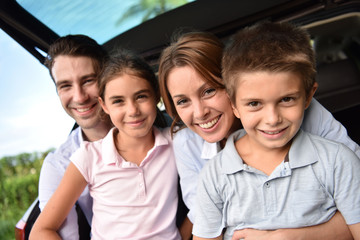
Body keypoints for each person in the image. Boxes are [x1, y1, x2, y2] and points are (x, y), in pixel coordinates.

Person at [158, 28, 360, 239]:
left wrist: (289, 237)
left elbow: (353, 189)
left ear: (230, 83)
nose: (200, 113)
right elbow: (206, 219)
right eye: (182, 101)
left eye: (209, 91)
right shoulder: (192, 149)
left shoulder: (300, 115)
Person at [30, 50, 182, 239]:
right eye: (118, 101)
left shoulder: (178, 141)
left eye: (141, 96)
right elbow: (41, 230)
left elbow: (205, 199)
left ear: (156, 96)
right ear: (104, 106)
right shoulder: (88, 157)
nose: (132, 111)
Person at [38, 35, 112, 239]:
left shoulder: (159, 131)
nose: (79, 97)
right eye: (65, 86)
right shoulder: (59, 165)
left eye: (88, 80)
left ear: (108, 78)